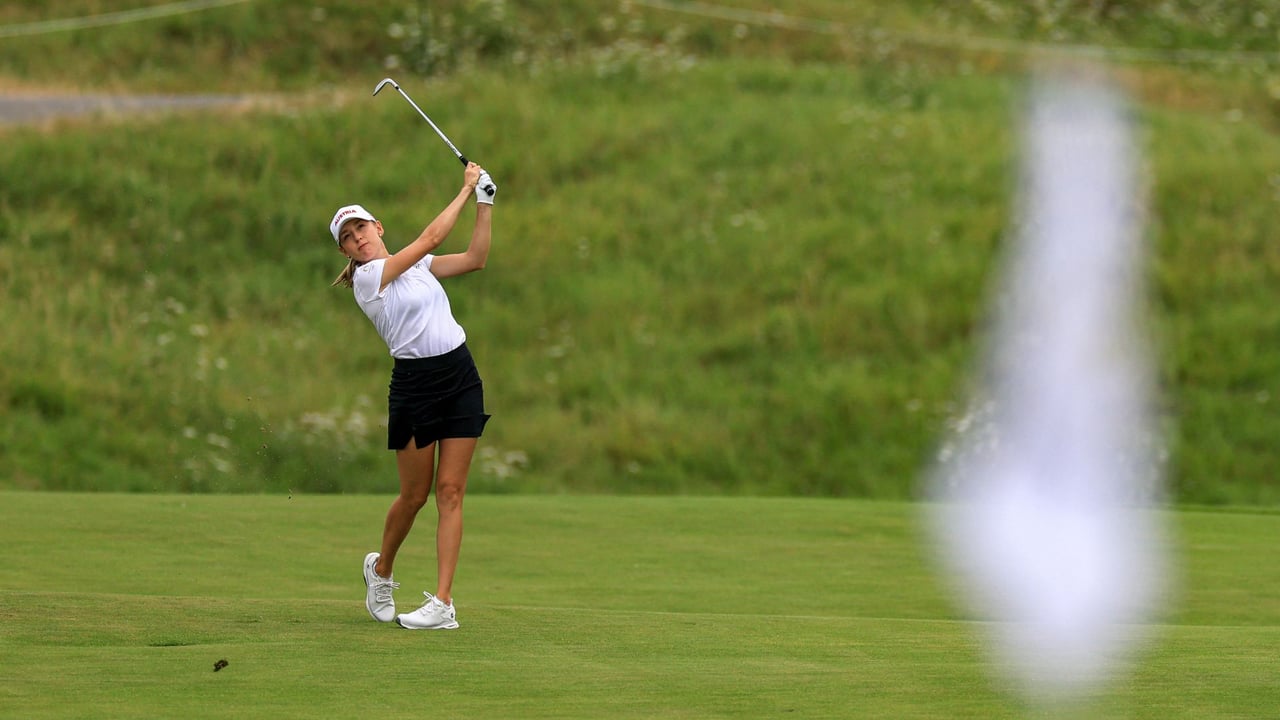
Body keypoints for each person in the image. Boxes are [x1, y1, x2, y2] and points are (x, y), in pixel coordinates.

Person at [329, 161, 495, 630]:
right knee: (415, 495)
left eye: (361, 226)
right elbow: (431, 239)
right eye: (347, 236)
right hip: (415, 387)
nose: (357, 237)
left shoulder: (417, 265)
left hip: (460, 375)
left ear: (377, 227)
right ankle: (381, 570)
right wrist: (464, 190)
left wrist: (485, 203)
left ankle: (443, 603)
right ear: (345, 250)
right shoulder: (368, 280)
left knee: (451, 492)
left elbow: (474, 259)